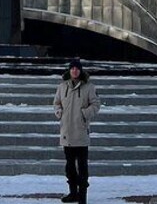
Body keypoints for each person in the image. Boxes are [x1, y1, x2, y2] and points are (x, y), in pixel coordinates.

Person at [53, 58, 100, 204]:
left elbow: (96, 104)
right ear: (69, 70)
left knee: (82, 167)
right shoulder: (62, 86)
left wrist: (84, 114)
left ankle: (82, 196)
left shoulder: (89, 87)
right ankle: (73, 193)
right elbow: (56, 102)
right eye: (72, 68)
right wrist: (59, 112)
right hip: (67, 132)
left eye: (77, 68)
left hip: (80, 132)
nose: (74, 71)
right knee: (70, 167)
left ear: (80, 71)